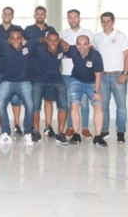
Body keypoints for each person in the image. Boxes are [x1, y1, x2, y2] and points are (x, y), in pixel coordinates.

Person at [93, 12, 128, 144]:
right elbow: (93, 55)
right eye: (103, 21)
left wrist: (125, 73)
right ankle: (104, 130)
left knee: (121, 106)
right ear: (101, 22)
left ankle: (121, 132)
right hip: (102, 76)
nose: (106, 24)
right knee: (103, 105)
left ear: (113, 22)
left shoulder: (121, 36)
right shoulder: (97, 37)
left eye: (109, 21)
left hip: (118, 75)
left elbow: (127, 55)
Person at [0, 28, 36, 146]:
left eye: (18, 38)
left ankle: (28, 133)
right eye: (12, 38)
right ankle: (6, 133)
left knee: (30, 105)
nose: (15, 40)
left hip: (24, 82)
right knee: (0, 104)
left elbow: (42, 39)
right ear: (9, 40)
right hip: (7, 81)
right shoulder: (4, 46)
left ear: (22, 39)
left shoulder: (28, 47)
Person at [64, 35, 107, 147]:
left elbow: (98, 75)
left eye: (85, 44)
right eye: (79, 44)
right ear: (76, 45)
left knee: (98, 105)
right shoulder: (73, 50)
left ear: (89, 44)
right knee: (74, 105)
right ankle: (76, 134)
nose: (82, 47)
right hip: (76, 81)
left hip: (92, 83)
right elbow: (63, 46)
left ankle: (98, 137)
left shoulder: (96, 56)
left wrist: (96, 92)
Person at [23, 6, 58, 138]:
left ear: (45, 15)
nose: (40, 16)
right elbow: (24, 45)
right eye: (37, 14)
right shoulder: (28, 30)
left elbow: (57, 45)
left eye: (42, 14)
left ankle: (49, 127)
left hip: (49, 72)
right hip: (33, 70)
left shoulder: (51, 30)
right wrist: (38, 40)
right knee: (35, 102)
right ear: (34, 15)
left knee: (48, 100)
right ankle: (35, 129)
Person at [0, 6, 23, 136]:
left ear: (12, 16)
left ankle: (17, 125)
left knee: (15, 100)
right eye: (5, 14)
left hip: (13, 70)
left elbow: (23, 44)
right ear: (2, 15)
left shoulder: (17, 29)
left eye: (9, 14)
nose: (7, 16)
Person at [30, 32, 69, 145]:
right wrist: (39, 39)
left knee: (63, 106)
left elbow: (75, 49)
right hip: (39, 80)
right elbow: (27, 44)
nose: (53, 43)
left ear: (59, 41)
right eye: (50, 40)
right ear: (46, 40)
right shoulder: (39, 48)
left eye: (55, 40)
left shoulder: (62, 48)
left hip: (57, 80)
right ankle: (36, 132)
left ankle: (60, 134)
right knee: (35, 107)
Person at [61, 9, 94, 138]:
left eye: (75, 17)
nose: (73, 19)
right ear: (67, 19)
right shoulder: (62, 33)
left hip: (84, 74)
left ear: (80, 18)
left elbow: (92, 52)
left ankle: (85, 127)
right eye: (70, 17)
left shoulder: (88, 33)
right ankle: (70, 127)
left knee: (84, 103)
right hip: (67, 74)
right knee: (71, 102)